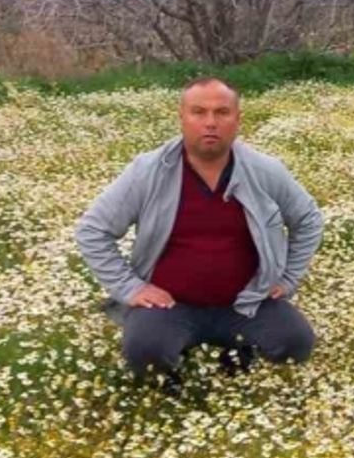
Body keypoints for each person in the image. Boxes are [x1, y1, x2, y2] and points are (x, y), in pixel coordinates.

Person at [74, 76, 324, 397]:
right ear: (181, 117)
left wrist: (288, 278)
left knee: (295, 344)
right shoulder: (148, 171)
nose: (210, 123)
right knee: (145, 351)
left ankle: (239, 348)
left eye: (222, 112)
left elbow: (308, 219)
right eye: (198, 112)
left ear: (237, 119)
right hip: (171, 305)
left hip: (246, 302)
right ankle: (173, 378)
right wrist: (130, 288)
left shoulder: (264, 171)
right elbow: (93, 230)